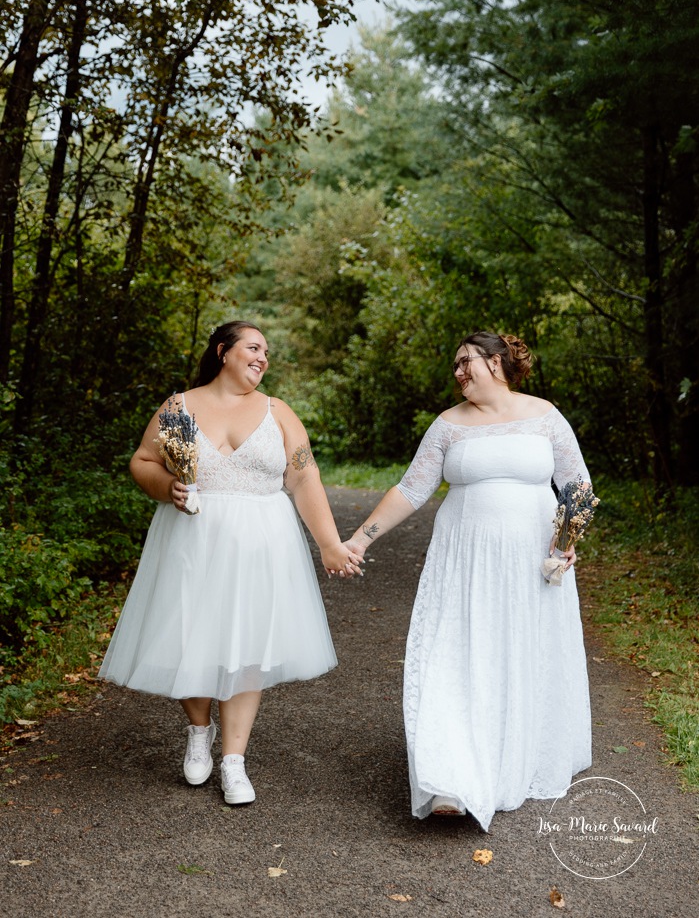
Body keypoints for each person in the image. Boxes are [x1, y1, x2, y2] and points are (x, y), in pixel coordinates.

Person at [99, 320, 360, 805]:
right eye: (254, 347)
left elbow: (304, 479)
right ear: (224, 351)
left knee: (246, 647)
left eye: (267, 352)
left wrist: (329, 543)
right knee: (186, 636)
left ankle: (234, 761)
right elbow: (143, 460)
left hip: (261, 546)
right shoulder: (179, 407)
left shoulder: (277, 411)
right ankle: (200, 731)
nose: (263, 358)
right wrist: (166, 487)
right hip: (190, 542)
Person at [342, 331, 592, 832]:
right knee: (454, 652)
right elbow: (412, 488)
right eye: (454, 365)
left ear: (497, 362)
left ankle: (513, 752)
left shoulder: (545, 416)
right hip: (464, 561)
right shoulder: (447, 426)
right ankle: (449, 780)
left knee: (520, 652)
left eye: (465, 362)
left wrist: (568, 541)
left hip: (531, 562)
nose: (457, 372)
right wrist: (359, 539)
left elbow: (577, 486)